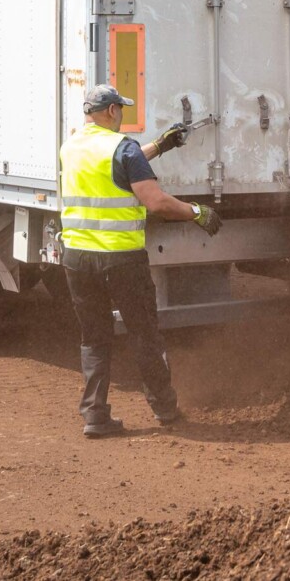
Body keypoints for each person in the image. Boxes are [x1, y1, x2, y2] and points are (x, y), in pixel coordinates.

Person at [59, 83, 221, 438]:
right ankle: (165, 409)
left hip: (77, 259)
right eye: (122, 109)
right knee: (144, 333)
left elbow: (115, 167)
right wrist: (196, 212)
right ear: (113, 111)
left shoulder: (70, 147)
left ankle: (95, 416)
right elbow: (156, 202)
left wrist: (160, 146)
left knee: (94, 337)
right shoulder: (123, 147)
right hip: (121, 260)